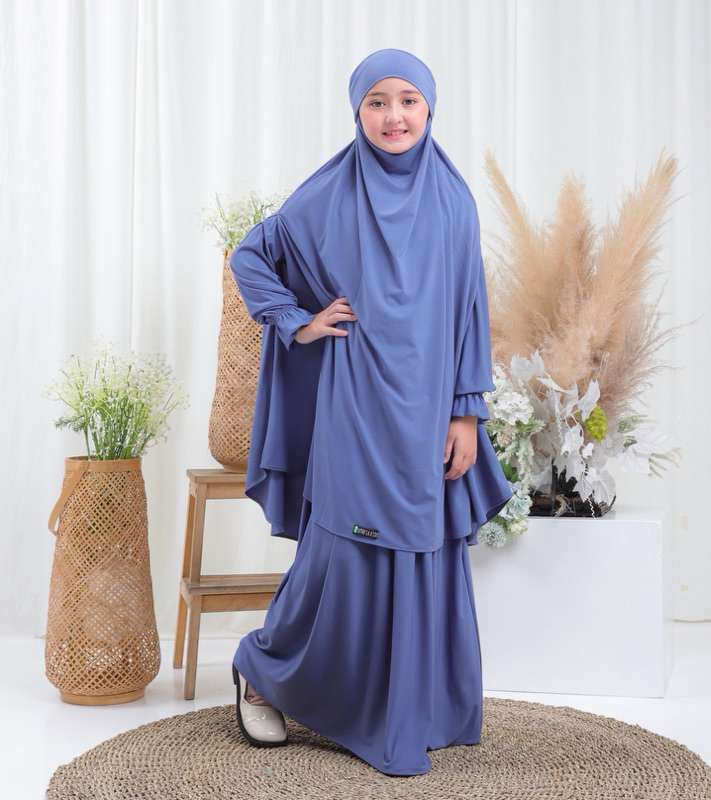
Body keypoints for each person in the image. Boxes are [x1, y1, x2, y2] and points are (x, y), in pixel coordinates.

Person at [229, 48, 511, 777]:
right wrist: (297, 321)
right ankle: (260, 672)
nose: (394, 116)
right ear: (357, 111)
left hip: (429, 413)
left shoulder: (454, 201)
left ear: (429, 107)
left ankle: (402, 713)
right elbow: (250, 255)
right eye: (377, 102)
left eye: (408, 100)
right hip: (354, 406)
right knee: (340, 555)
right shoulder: (328, 195)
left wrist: (465, 414)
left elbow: (469, 311)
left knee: (421, 550)